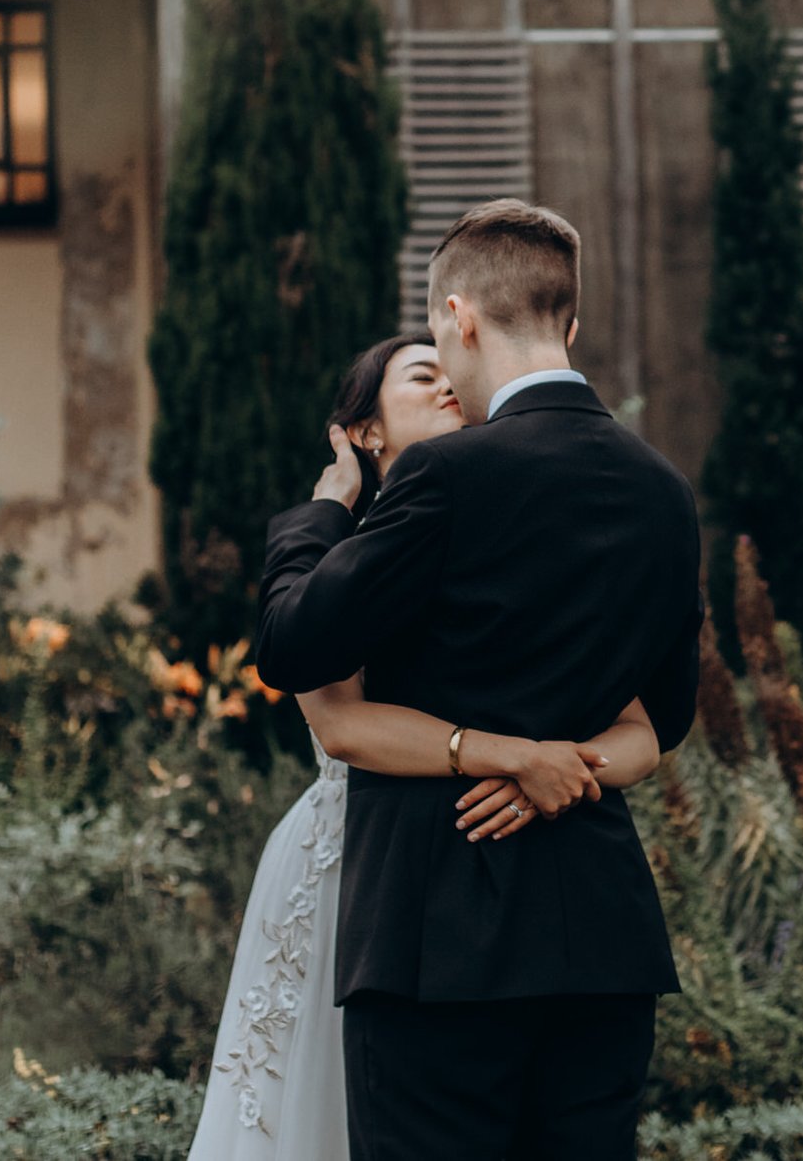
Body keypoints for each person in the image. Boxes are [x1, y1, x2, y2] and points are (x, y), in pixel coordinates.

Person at [256, 200, 703, 1161]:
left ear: (459, 317)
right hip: (602, 944)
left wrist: (315, 522)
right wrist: (552, 765)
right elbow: (664, 717)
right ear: (570, 323)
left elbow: (293, 649)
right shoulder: (665, 490)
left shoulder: (448, 477)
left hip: (438, 942)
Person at [186, 333, 663, 1161]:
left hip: (527, 906)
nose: (449, 384)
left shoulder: (521, 524)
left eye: (454, 374)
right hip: (367, 873)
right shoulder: (337, 558)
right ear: (365, 433)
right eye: (421, 375)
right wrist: (514, 756)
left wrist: (548, 765)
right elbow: (337, 723)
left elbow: (635, 723)